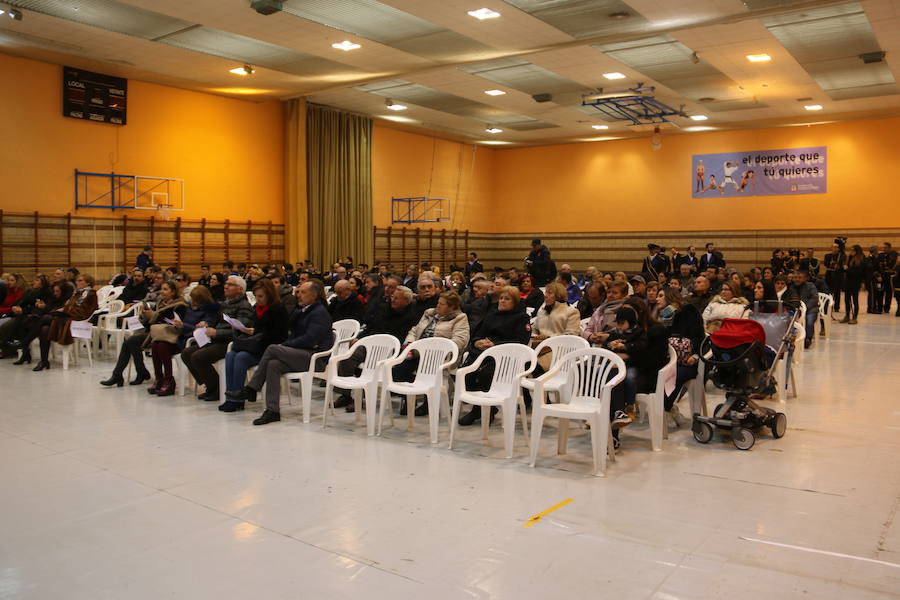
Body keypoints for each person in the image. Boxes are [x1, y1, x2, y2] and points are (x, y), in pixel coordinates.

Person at [224, 281, 334, 424]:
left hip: (315, 358)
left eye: (303, 292)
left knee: (272, 348)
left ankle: (252, 388)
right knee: (273, 364)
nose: (299, 295)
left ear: (314, 295)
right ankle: (273, 410)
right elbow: (292, 330)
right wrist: (297, 310)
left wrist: (285, 345)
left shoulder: (319, 312)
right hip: (301, 353)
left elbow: (309, 339)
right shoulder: (303, 310)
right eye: (299, 292)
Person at [457, 285, 531, 426]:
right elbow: (478, 334)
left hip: (508, 358)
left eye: (507, 299)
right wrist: (477, 342)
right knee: (465, 373)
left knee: (485, 375)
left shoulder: (521, 318)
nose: (502, 301)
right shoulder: (492, 315)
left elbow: (521, 341)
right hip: (484, 354)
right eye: (501, 298)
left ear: (515, 302)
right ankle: (485, 409)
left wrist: (495, 345)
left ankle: (478, 410)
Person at [393, 291, 470, 416]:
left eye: (442, 304)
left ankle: (427, 403)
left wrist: (436, 349)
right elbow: (414, 330)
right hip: (418, 352)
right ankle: (410, 398)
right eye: (438, 303)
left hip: (441, 357)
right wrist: (408, 343)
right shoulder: (429, 313)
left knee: (428, 373)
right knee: (397, 373)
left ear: (452, 307)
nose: (438, 306)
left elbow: (460, 340)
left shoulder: (460, 318)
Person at [180, 275, 254, 400]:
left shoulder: (244, 306)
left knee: (198, 357)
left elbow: (240, 330)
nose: (226, 286)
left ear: (240, 289)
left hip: (230, 342)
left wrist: (216, 333)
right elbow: (217, 322)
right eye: (226, 284)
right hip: (217, 339)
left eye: (230, 285)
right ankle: (211, 385)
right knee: (187, 353)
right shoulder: (225, 303)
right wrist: (206, 324)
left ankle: (216, 388)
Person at [220, 279, 289, 405]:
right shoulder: (257, 307)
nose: (258, 299)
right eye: (256, 296)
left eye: (261, 296)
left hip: (269, 348)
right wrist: (249, 331)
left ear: (269, 295)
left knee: (241, 357)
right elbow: (257, 328)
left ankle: (238, 398)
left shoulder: (278, 310)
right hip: (256, 344)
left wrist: (259, 334)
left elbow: (280, 335)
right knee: (230, 355)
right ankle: (230, 395)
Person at [34, 274, 98, 372]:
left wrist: (65, 311)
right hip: (67, 317)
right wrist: (62, 310)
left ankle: (26, 341)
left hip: (77, 321)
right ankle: (44, 361)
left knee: (46, 318)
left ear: (88, 283)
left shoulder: (90, 294)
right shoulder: (77, 293)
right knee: (44, 329)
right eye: (77, 280)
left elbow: (84, 311)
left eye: (80, 280)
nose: (77, 282)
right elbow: (69, 306)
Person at [660, 288, 704, 422]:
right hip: (667, 359)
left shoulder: (689, 311)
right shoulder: (662, 314)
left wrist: (695, 356)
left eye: (661, 296)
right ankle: (661, 408)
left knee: (674, 374)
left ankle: (664, 408)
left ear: (670, 297)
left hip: (688, 361)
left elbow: (699, 336)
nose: (657, 298)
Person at [140, 281, 189, 394]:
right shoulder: (160, 304)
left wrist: (155, 316)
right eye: (162, 289)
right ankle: (159, 379)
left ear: (173, 292)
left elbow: (183, 325)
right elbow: (150, 326)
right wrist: (146, 316)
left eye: (165, 289)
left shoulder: (181, 305)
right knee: (155, 345)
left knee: (161, 346)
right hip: (160, 335)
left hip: (177, 337)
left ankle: (169, 380)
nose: (162, 292)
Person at [0, 274, 50, 358]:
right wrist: (16, 307)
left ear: (42, 284)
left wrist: (21, 310)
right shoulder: (29, 291)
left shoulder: (44, 293)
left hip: (32, 316)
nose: (34, 281)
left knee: (7, 325)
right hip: (19, 314)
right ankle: (22, 352)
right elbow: (20, 303)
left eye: (37, 280)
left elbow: (35, 308)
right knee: (17, 322)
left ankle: (7, 346)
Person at [582, 280, 627, 345]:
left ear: (624, 295)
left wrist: (606, 337)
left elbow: (624, 334)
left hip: (614, 347)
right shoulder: (601, 308)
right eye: (609, 292)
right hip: (596, 344)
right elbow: (588, 329)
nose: (610, 295)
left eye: (615, 293)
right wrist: (591, 336)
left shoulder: (626, 310)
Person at [789, 270, 820, 348]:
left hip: (811, 309)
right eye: (795, 277)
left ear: (805, 279)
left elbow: (815, 299)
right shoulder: (791, 287)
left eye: (800, 278)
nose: (797, 279)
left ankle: (807, 339)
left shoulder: (810, 286)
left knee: (809, 320)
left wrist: (804, 309)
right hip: (796, 309)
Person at [841, 245, 865, 324]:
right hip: (848, 281)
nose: (851, 252)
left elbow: (859, 272)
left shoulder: (860, 259)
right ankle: (847, 315)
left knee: (855, 300)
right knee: (847, 300)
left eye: (852, 250)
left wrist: (848, 269)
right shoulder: (849, 258)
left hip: (855, 282)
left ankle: (855, 317)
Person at [824, 241, 846, 313]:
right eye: (833, 247)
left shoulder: (842, 256)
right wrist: (832, 264)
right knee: (829, 292)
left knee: (837, 293)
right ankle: (828, 306)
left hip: (837, 276)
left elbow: (842, 265)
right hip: (829, 276)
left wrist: (839, 266)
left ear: (838, 249)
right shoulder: (827, 256)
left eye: (836, 247)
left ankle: (836, 307)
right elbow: (826, 264)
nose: (834, 248)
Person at [877, 242, 898, 315]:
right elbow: (878, 266)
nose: (884, 249)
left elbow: (894, 265)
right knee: (880, 293)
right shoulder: (881, 255)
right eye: (883, 248)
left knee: (889, 293)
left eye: (885, 247)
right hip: (882, 277)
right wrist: (878, 275)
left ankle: (886, 308)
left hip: (889, 277)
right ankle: (879, 308)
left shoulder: (894, 255)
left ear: (889, 248)